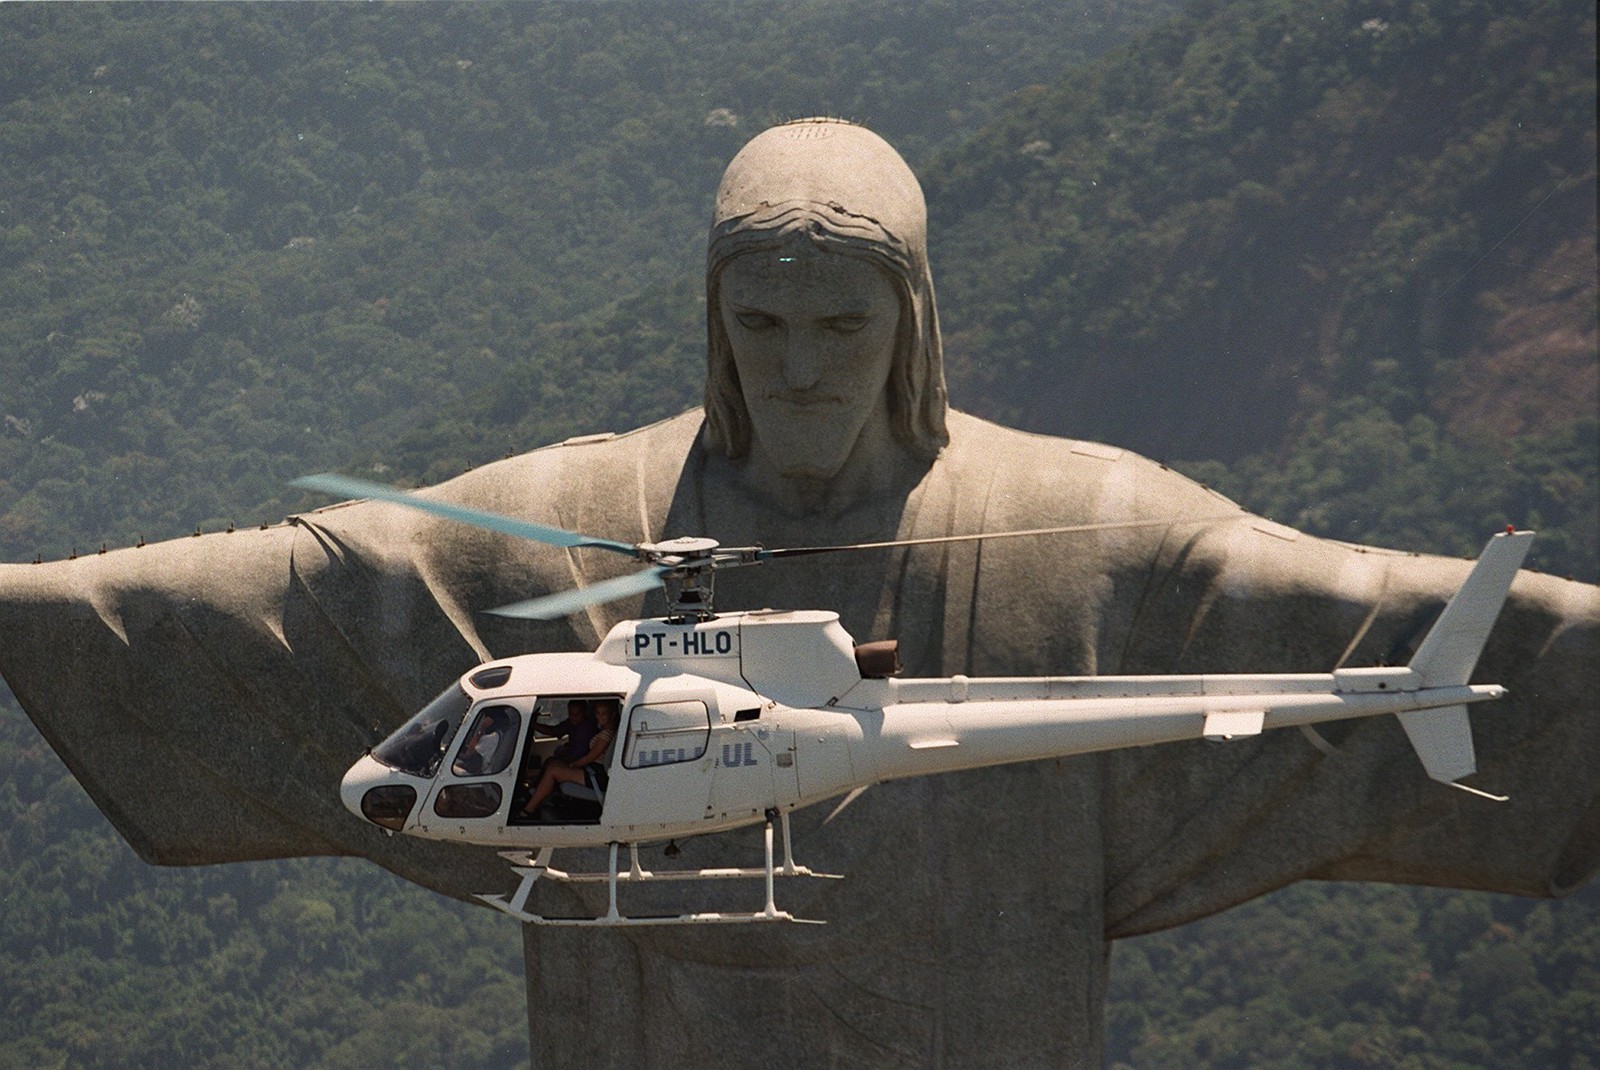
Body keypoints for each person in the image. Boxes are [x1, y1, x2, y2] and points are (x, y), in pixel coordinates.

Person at [0, 119, 1594, 1067]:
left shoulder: (1076, 529)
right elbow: (291, 598)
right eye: (765, 328)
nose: (806, 369)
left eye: (846, 328)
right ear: (714, 324)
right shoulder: (568, 528)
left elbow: (1313, 597)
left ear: (914, 323)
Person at [517, 699, 616, 820]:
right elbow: (555, 731)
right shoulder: (603, 731)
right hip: (592, 770)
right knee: (552, 763)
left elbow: (589, 758)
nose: (600, 716)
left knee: (553, 770)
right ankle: (534, 795)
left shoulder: (605, 734)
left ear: (612, 714)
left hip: (596, 775)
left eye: (604, 713)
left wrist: (572, 766)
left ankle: (528, 810)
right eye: (598, 713)